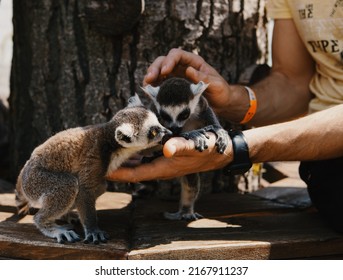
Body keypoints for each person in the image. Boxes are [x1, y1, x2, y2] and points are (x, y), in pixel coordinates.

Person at [106, 0, 343, 231]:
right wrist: (232, 99)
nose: (176, 125)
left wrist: (239, 148)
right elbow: (295, 83)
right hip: (322, 170)